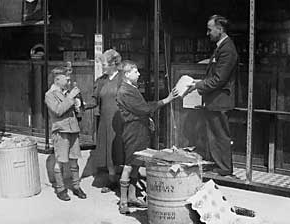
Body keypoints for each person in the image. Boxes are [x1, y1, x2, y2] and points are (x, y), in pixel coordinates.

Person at [116, 60, 178, 214]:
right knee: (129, 164)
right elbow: (142, 108)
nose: (138, 74)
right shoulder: (125, 91)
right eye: (135, 71)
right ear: (127, 74)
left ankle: (132, 196)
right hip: (133, 131)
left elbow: (137, 110)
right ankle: (123, 201)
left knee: (137, 163)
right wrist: (166, 100)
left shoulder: (131, 88)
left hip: (140, 129)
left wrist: (147, 119)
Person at [187, 15, 238, 176]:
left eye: (210, 29)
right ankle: (218, 165)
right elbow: (215, 75)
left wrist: (197, 85)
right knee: (214, 133)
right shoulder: (221, 47)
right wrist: (199, 82)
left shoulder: (227, 50)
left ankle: (224, 168)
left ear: (220, 29)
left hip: (220, 100)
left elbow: (218, 79)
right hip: (215, 99)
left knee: (220, 134)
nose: (207, 33)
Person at [45, 66, 87, 201]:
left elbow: (76, 112)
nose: (69, 80)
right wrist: (70, 98)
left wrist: (78, 105)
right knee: (61, 160)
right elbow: (58, 110)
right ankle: (60, 188)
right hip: (61, 131)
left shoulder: (66, 92)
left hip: (73, 129)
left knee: (74, 160)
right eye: (66, 77)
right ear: (57, 79)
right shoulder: (49, 95)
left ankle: (76, 186)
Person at [85, 49, 124, 193]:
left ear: (114, 63)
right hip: (105, 121)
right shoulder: (101, 81)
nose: (103, 67)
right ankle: (112, 180)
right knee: (108, 150)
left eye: (105, 64)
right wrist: (81, 105)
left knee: (121, 149)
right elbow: (93, 100)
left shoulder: (123, 78)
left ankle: (126, 181)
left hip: (121, 120)